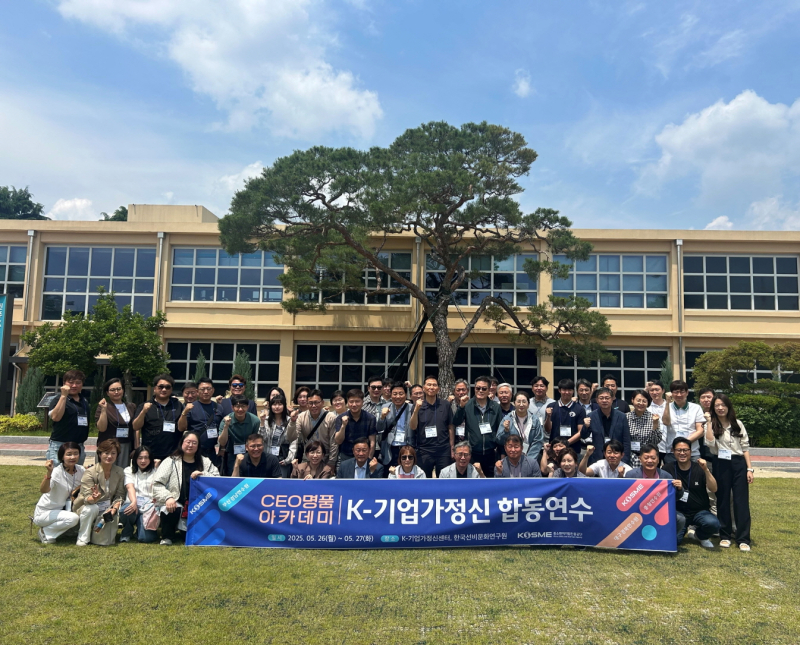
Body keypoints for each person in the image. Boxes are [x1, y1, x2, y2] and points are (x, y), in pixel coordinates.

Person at [153, 431, 219, 545]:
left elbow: (217, 479)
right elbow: (157, 484)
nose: (190, 445)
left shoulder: (205, 462)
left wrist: (203, 474)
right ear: (182, 443)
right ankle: (167, 536)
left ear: (198, 446)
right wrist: (168, 497)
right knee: (170, 508)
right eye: (188, 442)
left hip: (199, 504)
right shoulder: (170, 461)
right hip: (176, 502)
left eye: (194, 443)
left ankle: (186, 530)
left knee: (188, 537)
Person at [706, 395, 753, 551]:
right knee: (723, 500)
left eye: (723, 405)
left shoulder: (737, 424)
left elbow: (745, 447)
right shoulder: (711, 424)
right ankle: (725, 536)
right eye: (717, 405)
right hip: (721, 463)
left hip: (738, 463)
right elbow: (710, 444)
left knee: (741, 501)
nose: (720, 408)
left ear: (728, 407)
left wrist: (749, 469)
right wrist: (708, 422)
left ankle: (743, 538)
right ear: (713, 408)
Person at [663, 437, 720, 548]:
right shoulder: (667, 468)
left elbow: (714, 488)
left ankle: (700, 536)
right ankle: (682, 530)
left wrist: (706, 470)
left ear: (691, 451)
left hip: (699, 511)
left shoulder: (700, 468)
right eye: (679, 450)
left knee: (713, 524)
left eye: (685, 450)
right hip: (678, 513)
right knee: (675, 542)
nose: (682, 453)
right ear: (673, 451)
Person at [75, 439, 126, 546]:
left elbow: (120, 495)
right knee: (92, 508)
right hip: (87, 505)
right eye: (106, 453)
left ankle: (96, 534)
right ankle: (83, 537)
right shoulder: (90, 472)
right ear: (99, 454)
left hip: (107, 507)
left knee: (105, 541)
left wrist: (114, 508)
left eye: (113, 453)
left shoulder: (120, 471)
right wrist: (94, 498)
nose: (109, 456)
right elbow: (86, 497)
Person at [33, 442, 84, 543]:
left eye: (76, 453)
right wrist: (49, 473)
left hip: (64, 510)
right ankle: (45, 531)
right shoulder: (56, 472)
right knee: (73, 518)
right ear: (62, 457)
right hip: (45, 512)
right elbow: (44, 490)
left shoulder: (81, 470)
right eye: (69, 454)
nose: (73, 457)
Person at [452, 375, 502, 478]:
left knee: (489, 481)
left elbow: (499, 430)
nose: (480, 391)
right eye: (478, 388)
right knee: (472, 481)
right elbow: (456, 422)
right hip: (472, 453)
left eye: (484, 388)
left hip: (490, 453)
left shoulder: (496, 407)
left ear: (489, 390)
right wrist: (461, 407)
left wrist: (501, 453)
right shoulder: (467, 405)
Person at [133, 374, 184, 467]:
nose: (164, 389)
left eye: (167, 387)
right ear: (155, 388)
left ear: (171, 389)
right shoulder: (145, 405)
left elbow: (183, 427)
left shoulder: (178, 405)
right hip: (151, 454)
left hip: (173, 454)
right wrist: (143, 412)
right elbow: (136, 426)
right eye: (161, 387)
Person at [409, 375, 454, 478]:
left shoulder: (445, 404)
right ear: (424, 388)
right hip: (424, 449)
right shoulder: (417, 405)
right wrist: (416, 410)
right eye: (429, 385)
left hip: (443, 449)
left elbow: (450, 427)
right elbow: (413, 427)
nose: (431, 387)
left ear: (438, 389)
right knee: (424, 479)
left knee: (444, 479)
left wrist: (451, 447)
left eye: (434, 385)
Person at [287, 389, 338, 477]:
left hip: (325, 459)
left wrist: (332, 462)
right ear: (307, 404)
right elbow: (291, 437)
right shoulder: (301, 417)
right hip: (307, 459)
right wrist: (292, 422)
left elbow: (334, 442)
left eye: (316, 402)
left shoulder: (331, 417)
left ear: (322, 403)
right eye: (310, 403)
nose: (313, 406)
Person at [47, 369, 90, 464]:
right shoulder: (58, 399)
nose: (74, 385)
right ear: (64, 383)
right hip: (60, 445)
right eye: (71, 382)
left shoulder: (84, 401)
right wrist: (63, 396)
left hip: (78, 446)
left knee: (76, 473)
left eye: (78, 383)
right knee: (58, 473)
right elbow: (55, 417)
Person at [120, 445, 158, 543]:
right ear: (135, 459)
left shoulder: (156, 471)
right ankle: (127, 532)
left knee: (146, 538)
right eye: (140, 458)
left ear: (150, 459)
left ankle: (140, 529)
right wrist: (134, 502)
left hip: (149, 507)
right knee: (125, 510)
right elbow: (130, 487)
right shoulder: (128, 470)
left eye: (146, 458)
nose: (143, 461)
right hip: (134, 504)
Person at [96, 378, 137, 467]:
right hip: (108, 446)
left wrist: (136, 447)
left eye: (119, 389)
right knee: (105, 472)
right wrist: (103, 410)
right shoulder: (103, 406)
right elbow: (101, 428)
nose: (116, 392)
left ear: (123, 390)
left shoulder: (131, 406)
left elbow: (135, 428)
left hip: (125, 445)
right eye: (112, 390)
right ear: (107, 393)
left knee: (121, 472)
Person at [584, 387, 632, 465]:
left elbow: (626, 440)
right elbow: (584, 436)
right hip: (597, 458)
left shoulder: (622, 416)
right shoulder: (591, 416)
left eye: (607, 398)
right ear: (597, 400)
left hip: (616, 457)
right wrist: (585, 426)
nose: (604, 400)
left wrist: (624, 461)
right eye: (601, 398)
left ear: (612, 399)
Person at [178, 377, 220, 466]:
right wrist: (184, 413)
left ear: (213, 390)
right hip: (195, 451)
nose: (206, 392)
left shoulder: (219, 407)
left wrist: (222, 448)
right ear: (197, 391)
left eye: (208, 389)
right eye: (203, 389)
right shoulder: (191, 407)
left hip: (212, 451)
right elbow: (181, 428)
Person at [219, 394, 263, 476]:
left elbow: (256, 440)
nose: (240, 409)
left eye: (243, 406)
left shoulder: (255, 420)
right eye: (237, 406)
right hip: (232, 454)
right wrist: (226, 426)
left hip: (250, 453)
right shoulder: (226, 420)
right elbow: (222, 442)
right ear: (232, 407)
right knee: (233, 477)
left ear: (247, 407)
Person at [664, 380, 705, 466]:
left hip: (692, 452)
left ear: (687, 393)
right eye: (676, 392)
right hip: (672, 452)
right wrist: (667, 402)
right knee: (671, 474)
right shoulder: (666, 407)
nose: (679, 395)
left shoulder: (696, 408)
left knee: (694, 474)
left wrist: (684, 444)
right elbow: (666, 422)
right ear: (671, 393)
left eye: (682, 392)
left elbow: (700, 431)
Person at [496, 391, 545, 462]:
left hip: (531, 458)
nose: (521, 404)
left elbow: (538, 441)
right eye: (518, 401)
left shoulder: (534, 420)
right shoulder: (507, 419)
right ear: (514, 403)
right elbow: (499, 440)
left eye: (524, 402)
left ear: (528, 404)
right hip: (512, 458)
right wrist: (505, 431)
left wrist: (529, 459)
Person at [377, 381, 413, 473]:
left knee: (406, 475)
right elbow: (379, 429)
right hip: (390, 448)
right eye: (395, 394)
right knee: (390, 474)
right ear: (391, 395)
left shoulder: (412, 408)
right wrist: (382, 417)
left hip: (407, 447)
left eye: (401, 394)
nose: (398, 396)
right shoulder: (385, 407)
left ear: (406, 395)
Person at [334, 390, 378, 461]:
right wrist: (343, 426)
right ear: (347, 402)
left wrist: (369, 459)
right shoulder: (340, 418)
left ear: (362, 402)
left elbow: (372, 442)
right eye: (351, 402)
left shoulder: (370, 418)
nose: (354, 404)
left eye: (357, 401)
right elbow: (338, 441)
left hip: (364, 455)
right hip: (346, 455)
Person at [626, 389, 662, 468]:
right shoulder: (626, 417)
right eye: (638, 400)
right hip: (630, 456)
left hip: (648, 457)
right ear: (632, 400)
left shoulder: (653, 418)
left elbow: (656, 441)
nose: (641, 403)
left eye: (644, 401)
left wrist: (655, 424)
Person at [545, 379, 582, 454]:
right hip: (555, 449)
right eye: (564, 390)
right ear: (559, 390)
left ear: (573, 391)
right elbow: (548, 429)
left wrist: (566, 443)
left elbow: (581, 432)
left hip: (573, 449)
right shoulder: (551, 406)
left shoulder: (579, 409)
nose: (567, 392)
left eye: (569, 390)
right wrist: (548, 417)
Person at [647, 380, 672, 463]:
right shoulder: (647, 409)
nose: (654, 392)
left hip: (670, 446)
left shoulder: (671, 406)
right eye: (651, 390)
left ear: (663, 391)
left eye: (657, 390)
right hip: (655, 446)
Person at [448, 379, 470, 443]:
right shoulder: (450, 404)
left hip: (468, 439)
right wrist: (448, 403)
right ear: (454, 391)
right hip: (453, 439)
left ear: (468, 390)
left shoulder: (472, 404)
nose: (461, 392)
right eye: (458, 390)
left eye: (463, 390)